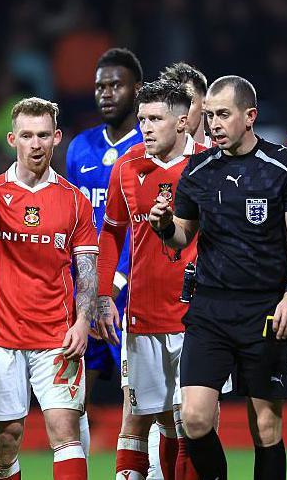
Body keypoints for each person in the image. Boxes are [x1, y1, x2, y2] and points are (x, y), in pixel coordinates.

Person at [149, 75, 287, 480]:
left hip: (265, 310)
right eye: (208, 116)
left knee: (266, 426)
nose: (214, 124)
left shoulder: (284, 166)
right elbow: (181, 237)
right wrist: (166, 226)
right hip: (209, 308)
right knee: (194, 418)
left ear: (250, 116)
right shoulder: (199, 169)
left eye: (223, 114)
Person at [0, 97, 97, 480]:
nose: (36, 144)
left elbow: (87, 271)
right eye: (28, 136)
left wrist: (83, 322)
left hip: (57, 337)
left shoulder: (75, 202)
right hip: (2, 339)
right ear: (12, 138)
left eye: (44, 135)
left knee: (65, 433)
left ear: (57, 138)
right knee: (7, 440)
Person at [98, 80, 204, 480]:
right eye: (142, 119)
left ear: (181, 123)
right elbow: (111, 231)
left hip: (197, 314)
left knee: (191, 420)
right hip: (142, 313)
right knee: (158, 417)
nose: (145, 127)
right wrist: (104, 295)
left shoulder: (208, 164)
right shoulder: (126, 166)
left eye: (155, 119)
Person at [65, 47, 143, 456]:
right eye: (100, 86)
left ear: (138, 89)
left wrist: (112, 284)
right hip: (84, 293)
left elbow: (140, 224)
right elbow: (74, 220)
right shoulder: (80, 148)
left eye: (116, 84)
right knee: (73, 400)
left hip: (129, 293)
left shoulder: (149, 145)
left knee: (141, 402)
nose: (106, 93)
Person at [159, 62, 211, 147]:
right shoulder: (144, 155)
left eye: (188, 102)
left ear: (204, 104)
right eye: (171, 105)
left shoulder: (223, 156)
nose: (179, 114)